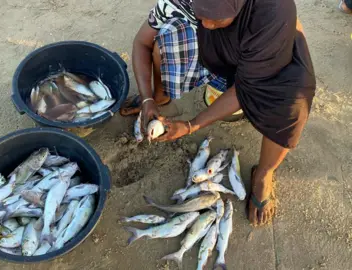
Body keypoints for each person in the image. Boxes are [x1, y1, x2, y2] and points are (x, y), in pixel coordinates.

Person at [120, 0, 316, 226]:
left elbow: (245, 87)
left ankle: (264, 174)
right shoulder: (183, 3)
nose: (208, 25)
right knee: (164, 40)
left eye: (217, 18)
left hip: (267, 53)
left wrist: (192, 125)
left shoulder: (274, 12)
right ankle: (161, 95)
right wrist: (147, 98)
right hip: (220, 49)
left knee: (291, 102)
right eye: (201, 15)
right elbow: (141, 42)